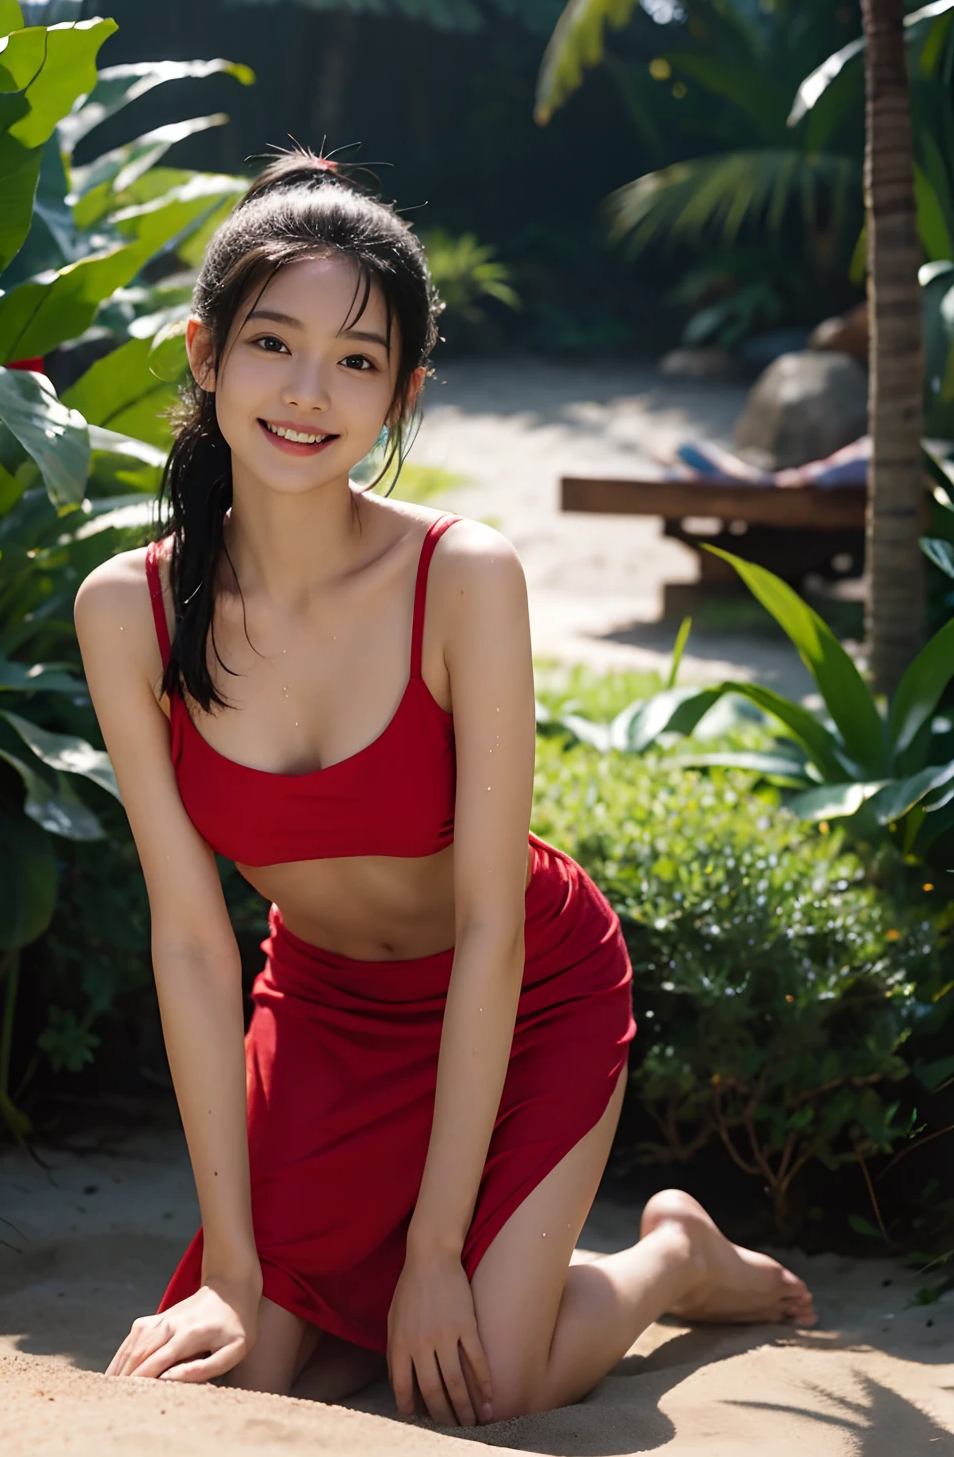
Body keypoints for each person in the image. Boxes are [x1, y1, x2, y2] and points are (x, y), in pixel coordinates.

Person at [74, 152, 816, 1429]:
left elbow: (491, 925)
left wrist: (432, 1259)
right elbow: (194, 943)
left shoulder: (461, 577)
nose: (310, 393)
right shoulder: (127, 609)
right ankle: (341, 1286)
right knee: (239, 1362)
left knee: (493, 1378)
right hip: (324, 1014)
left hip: (526, 989)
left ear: (404, 392)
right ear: (204, 353)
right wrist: (237, 1273)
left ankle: (672, 1257)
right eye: (272, 344)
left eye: (358, 361)